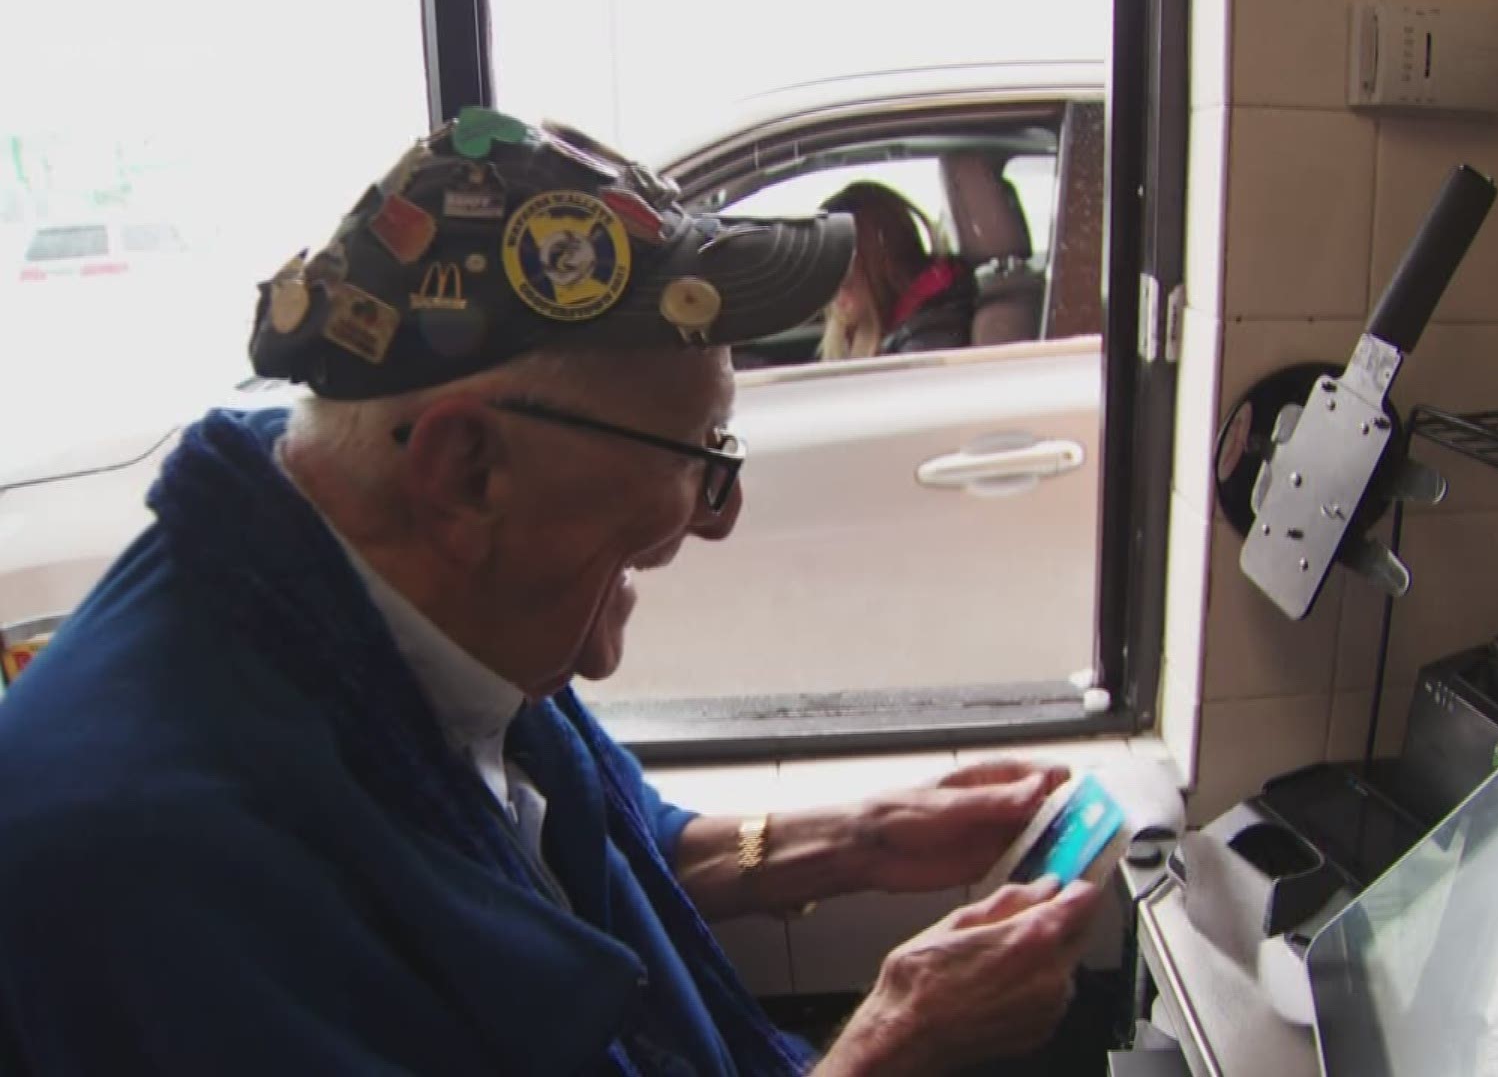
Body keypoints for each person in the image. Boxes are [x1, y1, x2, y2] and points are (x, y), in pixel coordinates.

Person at [0, 108, 1101, 1076]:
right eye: (695, 453)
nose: (717, 514)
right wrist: (893, 1047)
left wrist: (859, 839)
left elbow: (579, 847)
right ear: (466, 470)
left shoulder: (389, 586)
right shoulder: (153, 867)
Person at [818, 181, 976, 360]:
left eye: (841, 273)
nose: (830, 290)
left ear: (881, 260)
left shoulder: (927, 338)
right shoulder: (903, 328)